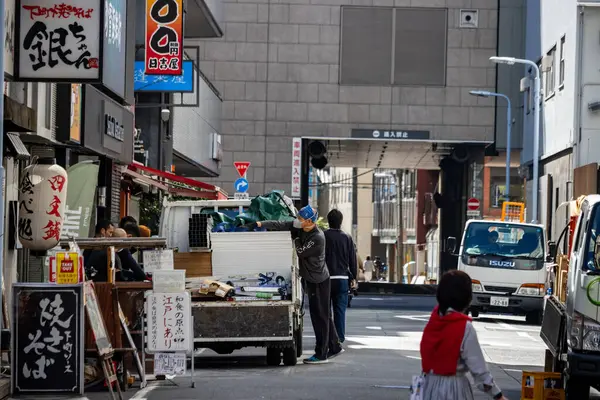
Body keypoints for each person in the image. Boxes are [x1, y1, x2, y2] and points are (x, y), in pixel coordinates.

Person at [246, 205, 343, 364]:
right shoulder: (300, 228)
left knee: (321, 318)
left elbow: (301, 251)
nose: (297, 221)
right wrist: (259, 224)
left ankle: (321, 354)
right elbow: (280, 224)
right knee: (323, 315)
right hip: (311, 279)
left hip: (319, 281)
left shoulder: (317, 237)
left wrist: (296, 238)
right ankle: (335, 346)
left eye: (300, 219)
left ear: (309, 221)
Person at [420, 270, 508, 400]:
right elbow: (479, 371)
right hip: (453, 389)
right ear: (466, 297)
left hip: (427, 387)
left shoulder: (433, 322)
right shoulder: (464, 327)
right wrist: (498, 395)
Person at [324, 209, 357, 344]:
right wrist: (353, 277)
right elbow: (352, 260)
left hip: (325, 279)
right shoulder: (347, 237)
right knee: (340, 310)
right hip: (342, 279)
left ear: (328, 221)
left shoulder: (323, 235)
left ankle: (327, 338)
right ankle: (339, 338)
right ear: (341, 221)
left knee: (325, 312)